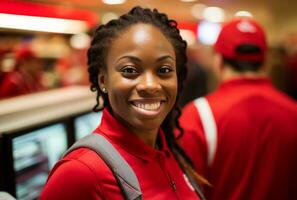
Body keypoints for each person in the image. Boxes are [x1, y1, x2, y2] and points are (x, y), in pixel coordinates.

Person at [40, 6, 207, 200]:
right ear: (103, 80)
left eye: (163, 70)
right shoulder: (80, 172)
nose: (150, 85)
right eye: (129, 70)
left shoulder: (168, 149)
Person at [179, 17, 297, 200]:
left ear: (218, 60)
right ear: (265, 62)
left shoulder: (199, 115)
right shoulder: (293, 112)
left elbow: (186, 192)